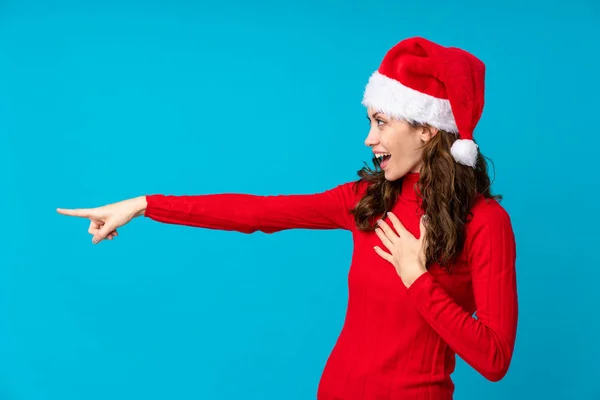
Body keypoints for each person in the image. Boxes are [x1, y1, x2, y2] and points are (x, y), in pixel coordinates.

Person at [57, 37, 518, 399]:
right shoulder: (367, 200)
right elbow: (259, 211)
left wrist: (417, 278)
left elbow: (494, 359)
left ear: (426, 128)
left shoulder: (485, 223)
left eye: (381, 122)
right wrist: (145, 204)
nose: (367, 138)